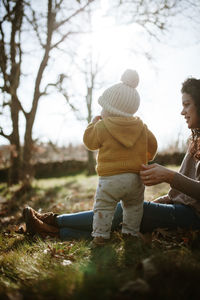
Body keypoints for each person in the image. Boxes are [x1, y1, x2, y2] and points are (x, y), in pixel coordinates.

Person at [23, 77, 200, 241]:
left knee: (122, 211)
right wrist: (161, 201)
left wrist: (169, 176)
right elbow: (182, 195)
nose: (182, 111)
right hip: (179, 209)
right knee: (120, 221)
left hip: (192, 217)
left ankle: (54, 222)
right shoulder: (194, 141)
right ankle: (52, 230)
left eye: (187, 104)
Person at [82, 69, 157, 245]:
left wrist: (93, 123)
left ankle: (100, 236)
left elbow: (89, 142)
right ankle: (130, 234)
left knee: (104, 206)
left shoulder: (102, 126)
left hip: (110, 179)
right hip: (134, 178)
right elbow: (153, 147)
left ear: (110, 109)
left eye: (103, 107)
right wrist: (143, 157)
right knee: (133, 207)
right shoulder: (141, 127)